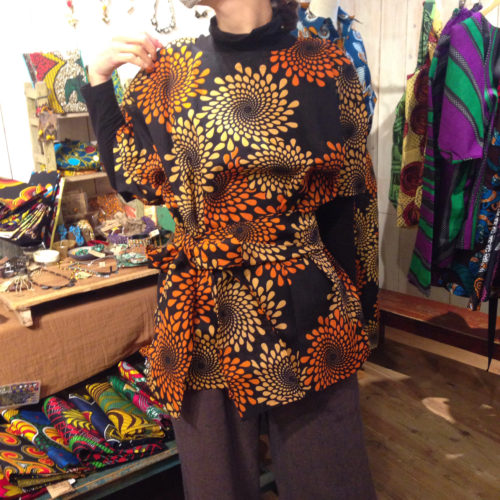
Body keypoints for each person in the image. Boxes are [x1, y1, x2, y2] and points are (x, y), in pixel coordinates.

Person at [82, 0, 378, 498]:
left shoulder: (329, 68)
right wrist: (97, 80)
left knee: (329, 482)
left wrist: (360, 316)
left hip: (307, 305)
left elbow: (348, 204)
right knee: (216, 485)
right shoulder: (169, 73)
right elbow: (130, 177)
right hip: (200, 309)